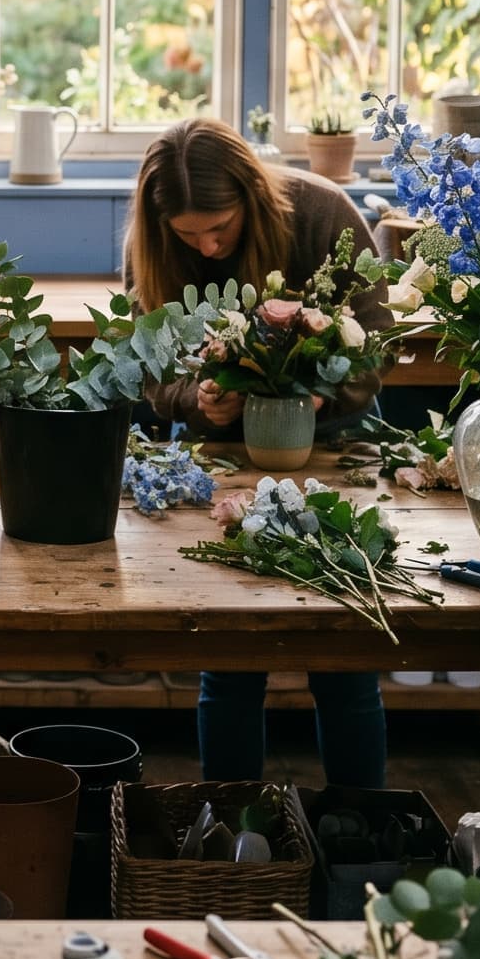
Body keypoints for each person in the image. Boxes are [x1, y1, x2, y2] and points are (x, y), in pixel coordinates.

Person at [125, 117, 388, 788]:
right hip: (219, 463)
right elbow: (151, 367)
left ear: (251, 195)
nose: (208, 247)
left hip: (335, 455)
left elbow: (377, 343)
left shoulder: (323, 213)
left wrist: (325, 392)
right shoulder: (154, 244)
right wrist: (195, 399)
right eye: (190, 237)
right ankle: (231, 838)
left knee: (346, 661)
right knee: (232, 662)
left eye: (221, 227)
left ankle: (360, 836)